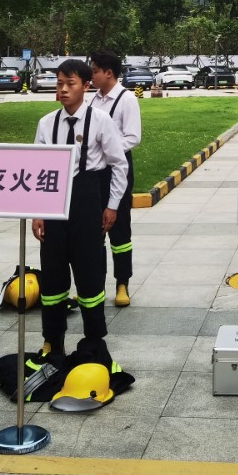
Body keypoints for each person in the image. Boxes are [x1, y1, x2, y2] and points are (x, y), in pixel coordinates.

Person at [33, 58, 130, 357]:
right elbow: (38, 169)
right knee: (52, 273)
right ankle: (53, 340)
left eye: (70, 84)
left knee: (89, 272)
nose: (63, 89)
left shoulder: (101, 121)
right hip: (54, 202)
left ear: (85, 86)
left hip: (87, 200)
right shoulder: (46, 123)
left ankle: (93, 340)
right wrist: (38, 212)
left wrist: (112, 205)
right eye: (59, 84)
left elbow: (119, 165)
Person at [90, 50, 142, 307]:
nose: (91, 76)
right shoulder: (94, 99)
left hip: (118, 169)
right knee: (94, 229)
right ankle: (94, 283)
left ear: (108, 73)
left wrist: (107, 148)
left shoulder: (126, 99)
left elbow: (133, 137)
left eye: (95, 71)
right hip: (95, 171)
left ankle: (122, 283)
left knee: (119, 228)